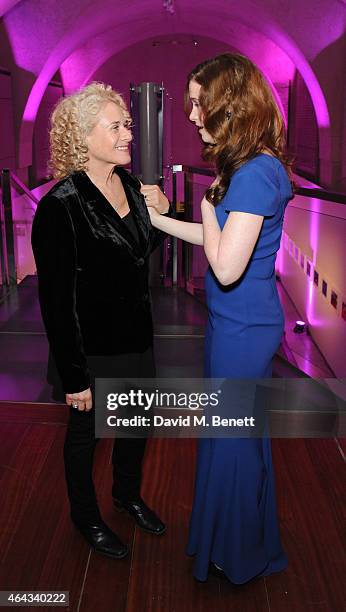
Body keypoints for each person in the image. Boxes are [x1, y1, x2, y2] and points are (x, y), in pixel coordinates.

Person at [142, 53, 293, 583]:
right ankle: (239, 544)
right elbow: (222, 245)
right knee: (236, 438)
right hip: (233, 322)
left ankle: (240, 553)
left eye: (196, 101)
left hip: (243, 329)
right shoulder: (250, 167)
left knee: (233, 443)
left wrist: (205, 202)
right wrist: (161, 220)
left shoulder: (253, 173)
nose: (189, 114)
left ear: (226, 105)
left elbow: (225, 265)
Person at [31, 82, 171, 560]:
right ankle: (86, 517)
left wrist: (164, 214)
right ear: (84, 137)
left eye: (127, 124)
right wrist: (75, 377)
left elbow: (135, 253)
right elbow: (55, 300)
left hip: (136, 336)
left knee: (136, 425)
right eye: (116, 126)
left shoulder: (130, 185)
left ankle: (126, 496)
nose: (129, 134)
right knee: (85, 439)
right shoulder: (60, 206)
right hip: (89, 350)